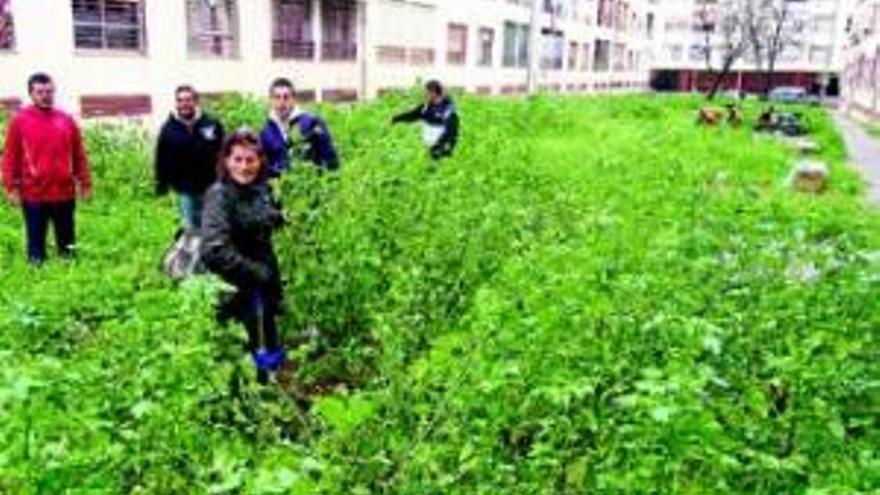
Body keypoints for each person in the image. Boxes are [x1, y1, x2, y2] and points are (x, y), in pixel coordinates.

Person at [201, 129, 286, 383]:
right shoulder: (219, 195)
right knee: (244, 351)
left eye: (251, 160)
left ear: (260, 162)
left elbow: (262, 217)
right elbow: (214, 250)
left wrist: (277, 218)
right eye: (238, 159)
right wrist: (253, 272)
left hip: (263, 283)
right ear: (226, 161)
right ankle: (250, 403)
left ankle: (270, 390)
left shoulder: (261, 190)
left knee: (268, 340)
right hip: (235, 288)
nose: (244, 166)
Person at [2, 73, 92, 265]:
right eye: (40, 92)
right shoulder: (20, 121)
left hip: (64, 192)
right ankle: (37, 272)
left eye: (49, 91)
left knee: (67, 241)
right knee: (36, 243)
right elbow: (10, 156)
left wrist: (85, 182)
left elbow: (79, 154)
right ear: (31, 93)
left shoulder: (66, 120)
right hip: (34, 194)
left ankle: (70, 270)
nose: (46, 95)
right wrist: (10, 187)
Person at [155, 85, 225, 230]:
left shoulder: (211, 124)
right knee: (190, 229)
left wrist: (226, 180)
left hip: (211, 187)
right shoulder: (168, 129)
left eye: (188, 100)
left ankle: (210, 252)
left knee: (213, 226)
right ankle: (193, 252)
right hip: (184, 191)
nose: (184, 104)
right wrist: (162, 186)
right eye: (180, 100)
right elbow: (161, 159)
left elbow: (224, 153)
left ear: (196, 101)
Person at [260, 78, 339, 175]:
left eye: (286, 97)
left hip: (309, 185)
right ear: (271, 100)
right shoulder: (265, 131)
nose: (281, 102)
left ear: (293, 99)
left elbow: (330, 160)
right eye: (277, 97)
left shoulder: (312, 123)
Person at [391, 80, 460, 160]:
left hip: (441, 144)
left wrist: (441, 147)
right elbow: (413, 115)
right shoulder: (426, 106)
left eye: (427, 93)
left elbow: (452, 132)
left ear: (434, 93)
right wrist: (397, 118)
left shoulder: (448, 110)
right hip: (428, 143)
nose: (424, 95)